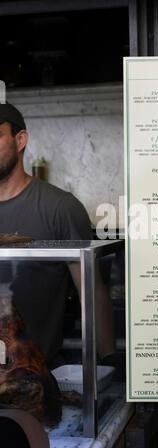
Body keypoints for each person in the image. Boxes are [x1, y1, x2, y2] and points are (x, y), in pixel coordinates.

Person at [0, 102, 116, 369]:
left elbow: (91, 291)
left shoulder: (60, 208)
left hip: (36, 376)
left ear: (20, 140)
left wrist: (109, 360)